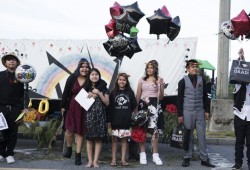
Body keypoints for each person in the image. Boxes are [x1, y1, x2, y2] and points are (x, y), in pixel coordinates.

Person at [61, 58, 107, 165]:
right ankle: (68, 148)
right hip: (72, 106)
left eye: (86, 67)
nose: (84, 69)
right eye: (82, 67)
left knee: (80, 131)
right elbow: (66, 92)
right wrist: (63, 106)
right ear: (79, 67)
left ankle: (78, 155)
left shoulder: (90, 77)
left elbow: (103, 83)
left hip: (84, 107)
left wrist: (95, 94)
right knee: (69, 129)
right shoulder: (72, 78)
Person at [177, 59, 215, 168]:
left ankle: (204, 158)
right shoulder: (182, 81)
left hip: (200, 111)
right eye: (192, 67)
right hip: (187, 111)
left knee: (202, 135)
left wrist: (207, 110)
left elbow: (205, 96)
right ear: (187, 69)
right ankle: (187, 157)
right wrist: (180, 114)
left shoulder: (202, 80)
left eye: (196, 67)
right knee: (188, 135)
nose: (195, 68)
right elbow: (179, 98)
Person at [135, 60, 165, 165]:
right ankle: (142, 154)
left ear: (155, 69)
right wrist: (135, 108)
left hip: (155, 106)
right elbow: (138, 95)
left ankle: (155, 155)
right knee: (142, 129)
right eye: (148, 67)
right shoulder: (141, 80)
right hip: (143, 105)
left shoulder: (159, 79)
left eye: (151, 68)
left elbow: (161, 97)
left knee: (154, 130)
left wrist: (160, 86)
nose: (149, 69)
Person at [108, 73, 137, 166]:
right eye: (120, 79)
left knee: (124, 140)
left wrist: (128, 113)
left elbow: (133, 105)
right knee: (114, 140)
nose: (122, 81)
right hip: (115, 121)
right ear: (117, 81)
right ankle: (113, 159)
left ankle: (123, 159)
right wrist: (109, 120)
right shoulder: (113, 92)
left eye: (124, 80)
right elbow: (109, 107)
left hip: (126, 121)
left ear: (126, 81)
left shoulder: (130, 92)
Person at [0, 52, 24, 164]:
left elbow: (25, 94)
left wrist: (24, 108)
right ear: (5, 62)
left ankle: (9, 153)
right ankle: (1, 153)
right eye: (8, 59)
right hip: (1, 108)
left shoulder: (22, 77)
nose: (11, 61)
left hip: (15, 109)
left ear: (17, 62)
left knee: (13, 132)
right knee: (1, 132)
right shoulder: (0, 75)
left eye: (13, 59)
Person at [84, 68, 109, 168]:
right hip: (88, 117)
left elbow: (107, 102)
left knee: (98, 140)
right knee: (89, 140)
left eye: (96, 74)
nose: (94, 76)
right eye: (92, 74)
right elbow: (83, 104)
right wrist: (88, 96)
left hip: (100, 117)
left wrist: (98, 93)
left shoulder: (103, 88)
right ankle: (89, 161)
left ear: (99, 76)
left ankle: (95, 161)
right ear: (89, 76)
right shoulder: (85, 88)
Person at [232, 48, 250, 170]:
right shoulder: (239, 84)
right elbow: (239, 71)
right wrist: (241, 58)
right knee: (239, 142)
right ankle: (238, 163)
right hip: (239, 115)